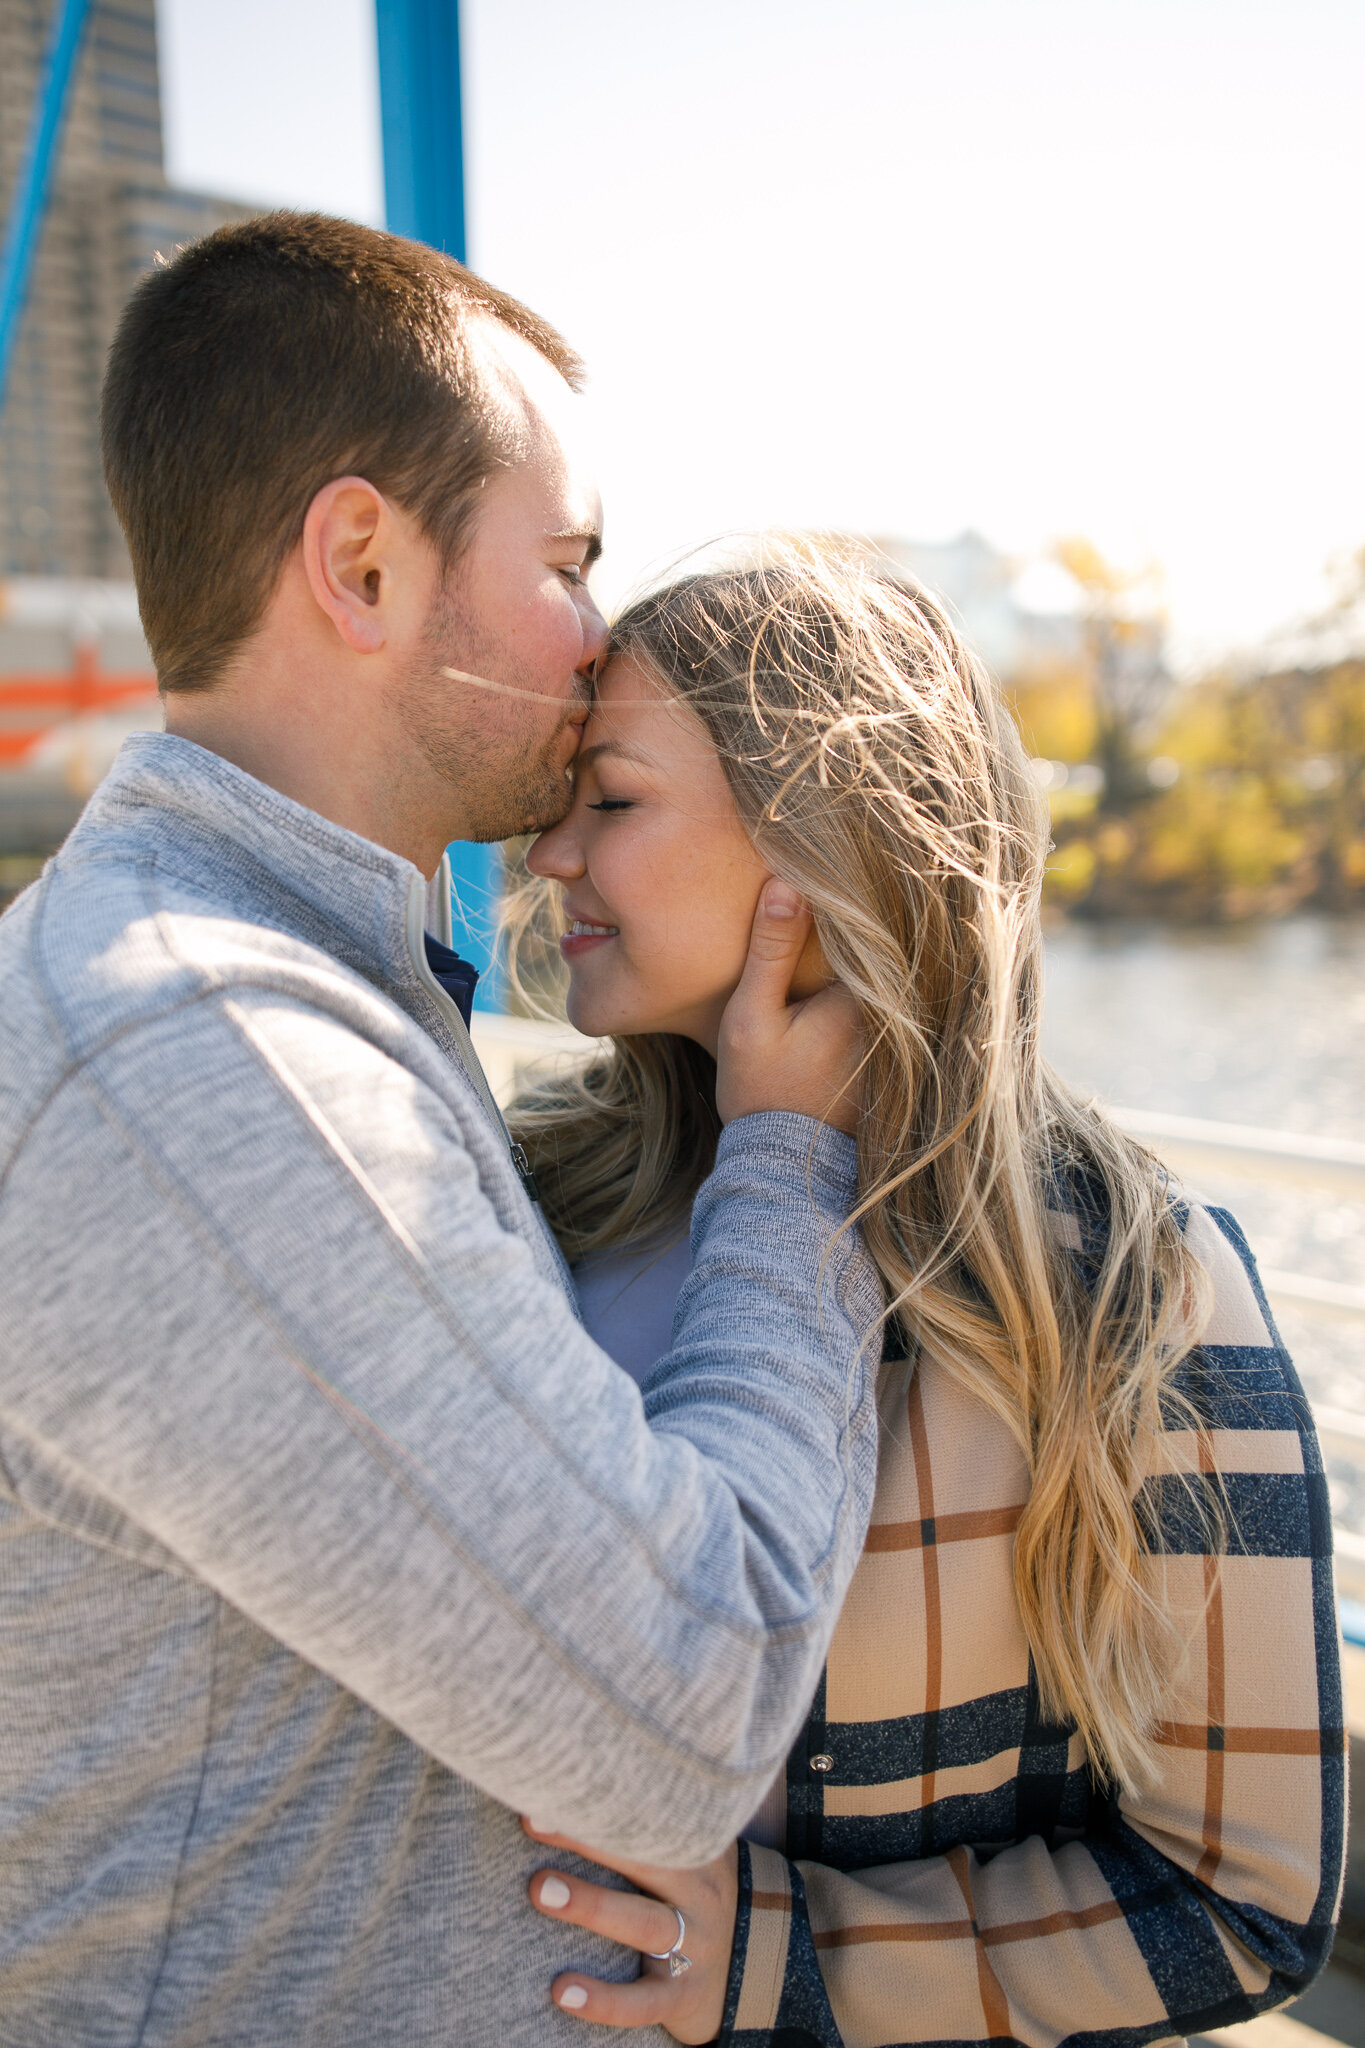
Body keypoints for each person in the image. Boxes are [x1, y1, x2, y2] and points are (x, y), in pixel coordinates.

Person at [0, 221, 884, 2045]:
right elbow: (683, 1715)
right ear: (360, 562)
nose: (599, 630)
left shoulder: (239, 986)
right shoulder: (207, 1054)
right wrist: (791, 1165)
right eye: (566, 562)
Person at [506, 535, 1347, 2045]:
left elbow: (1241, 1896)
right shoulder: (521, 1192)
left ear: (825, 847)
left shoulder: (1123, 1291)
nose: (547, 855)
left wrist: (787, 1959)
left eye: (610, 801)